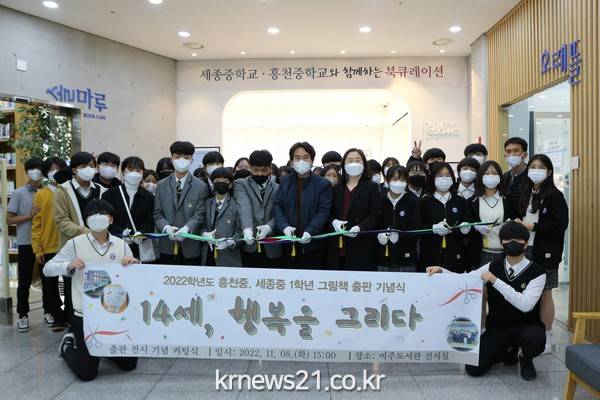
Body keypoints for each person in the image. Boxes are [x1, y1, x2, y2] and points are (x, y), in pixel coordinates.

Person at [427, 222, 547, 381]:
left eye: (518, 239)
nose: (512, 243)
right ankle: (508, 350)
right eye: (508, 239)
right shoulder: (492, 267)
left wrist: (495, 281)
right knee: (473, 369)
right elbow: (466, 279)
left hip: (527, 325)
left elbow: (526, 305)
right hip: (498, 327)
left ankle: (525, 358)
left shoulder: (538, 272)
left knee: (535, 339)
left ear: (526, 244)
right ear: (501, 243)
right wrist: (442, 271)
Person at [44, 199, 139, 381]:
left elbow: (134, 275)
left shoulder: (121, 245)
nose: (97, 218)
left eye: (102, 214)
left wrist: (134, 263)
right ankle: (67, 347)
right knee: (87, 373)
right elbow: (48, 269)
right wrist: (68, 265)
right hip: (85, 313)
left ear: (111, 219)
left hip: (113, 312)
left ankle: (102, 350)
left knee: (129, 364)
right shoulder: (75, 244)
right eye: (92, 215)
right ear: (86, 220)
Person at [516, 154, 568, 354]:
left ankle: (547, 337)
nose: (535, 171)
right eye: (533, 166)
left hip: (545, 251)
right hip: (524, 250)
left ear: (549, 171)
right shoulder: (527, 192)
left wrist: (533, 226)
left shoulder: (555, 195)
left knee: (545, 294)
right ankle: (529, 334)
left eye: (540, 167)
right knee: (527, 293)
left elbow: (559, 225)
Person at [54, 151, 106, 326]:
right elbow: (61, 221)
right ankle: (74, 327)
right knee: (72, 290)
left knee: (97, 286)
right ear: (74, 170)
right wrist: (86, 232)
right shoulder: (63, 190)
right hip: (74, 246)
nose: (88, 169)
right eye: (84, 166)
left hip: (98, 247)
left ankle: (97, 325)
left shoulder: (100, 190)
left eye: (91, 166)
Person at [273, 142, 332, 269]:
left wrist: (311, 230)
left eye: (306, 157)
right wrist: (284, 227)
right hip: (289, 243)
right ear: (291, 161)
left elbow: (324, 211)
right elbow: (278, 206)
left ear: (312, 160)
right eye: (297, 158)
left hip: (314, 245)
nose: (301, 161)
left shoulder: (323, 184)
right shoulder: (285, 181)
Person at [327, 148, 382, 271]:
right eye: (350, 160)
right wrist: (334, 222)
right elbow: (328, 212)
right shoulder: (336, 188)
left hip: (361, 245)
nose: (354, 163)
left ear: (364, 164)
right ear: (344, 165)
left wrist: (360, 228)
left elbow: (375, 214)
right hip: (337, 244)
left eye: (358, 160)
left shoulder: (372, 187)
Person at [154, 141, 208, 265]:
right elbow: (157, 213)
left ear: (192, 160)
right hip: (166, 245)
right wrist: (166, 227)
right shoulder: (161, 185)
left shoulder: (200, 186)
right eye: (178, 157)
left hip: (190, 246)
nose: (182, 160)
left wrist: (187, 229)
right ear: (172, 159)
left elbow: (200, 214)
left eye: (186, 157)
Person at [6, 157, 44, 331]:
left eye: (39, 169)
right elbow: (9, 220)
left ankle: (50, 311)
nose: (36, 172)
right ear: (27, 172)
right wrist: (29, 216)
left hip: (45, 242)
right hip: (25, 242)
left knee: (48, 280)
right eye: (32, 169)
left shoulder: (49, 192)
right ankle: (22, 315)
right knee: (24, 280)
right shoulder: (18, 193)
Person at [31, 156, 67, 331]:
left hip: (68, 245)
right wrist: (38, 248)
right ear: (46, 173)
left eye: (58, 168)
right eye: (51, 169)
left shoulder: (68, 191)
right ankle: (56, 316)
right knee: (50, 285)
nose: (55, 172)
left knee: (69, 284)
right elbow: (36, 224)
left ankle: (69, 316)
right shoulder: (41, 194)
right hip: (48, 246)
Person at [419, 161, 473, 273]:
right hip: (430, 257)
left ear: (453, 178)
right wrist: (433, 228)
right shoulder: (424, 202)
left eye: (448, 175)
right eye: (440, 176)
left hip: (456, 257)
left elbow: (469, 223)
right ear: (433, 179)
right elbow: (417, 227)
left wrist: (466, 228)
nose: (444, 179)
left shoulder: (461, 201)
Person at [234, 150, 282, 268]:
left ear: (270, 169)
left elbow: (280, 212)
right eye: (256, 170)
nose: (260, 174)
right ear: (250, 168)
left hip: (272, 245)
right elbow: (244, 207)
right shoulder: (241, 184)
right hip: (249, 243)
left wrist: (269, 227)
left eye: (264, 170)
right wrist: (247, 229)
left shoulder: (278, 188)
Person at [101, 156, 155, 259]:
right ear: (122, 172)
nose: (134, 173)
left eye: (138, 171)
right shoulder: (109, 195)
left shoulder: (149, 197)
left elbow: (150, 221)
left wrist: (141, 234)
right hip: (114, 245)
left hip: (139, 248)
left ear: (142, 173)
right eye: (130, 170)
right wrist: (121, 232)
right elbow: (105, 219)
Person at [376, 165, 420, 272]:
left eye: (402, 180)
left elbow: (417, 229)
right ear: (387, 180)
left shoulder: (413, 201)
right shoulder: (380, 200)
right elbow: (374, 222)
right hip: (382, 258)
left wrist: (400, 237)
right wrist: (378, 235)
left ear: (407, 182)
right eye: (395, 179)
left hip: (406, 259)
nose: (398, 183)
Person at [201, 167, 242, 266]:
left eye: (225, 181)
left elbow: (240, 230)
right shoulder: (207, 203)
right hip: (207, 254)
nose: (221, 183)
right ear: (212, 184)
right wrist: (204, 234)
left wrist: (231, 242)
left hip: (228, 256)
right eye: (217, 181)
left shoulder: (236, 204)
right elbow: (201, 225)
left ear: (230, 184)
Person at [471, 160, 509, 266]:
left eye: (495, 173)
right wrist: (476, 227)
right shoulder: (473, 200)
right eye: (487, 173)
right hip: (481, 252)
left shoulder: (507, 199)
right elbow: (467, 224)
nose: (491, 176)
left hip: (504, 252)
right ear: (480, 176)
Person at [503, 137, 529, 219]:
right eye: (508, 151)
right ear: (505, 155)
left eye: (516, 151)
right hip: (507, 223)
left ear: (525, 155)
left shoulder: (531, 176)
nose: (512, 154)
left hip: (527, 223)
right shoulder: (504, 177)